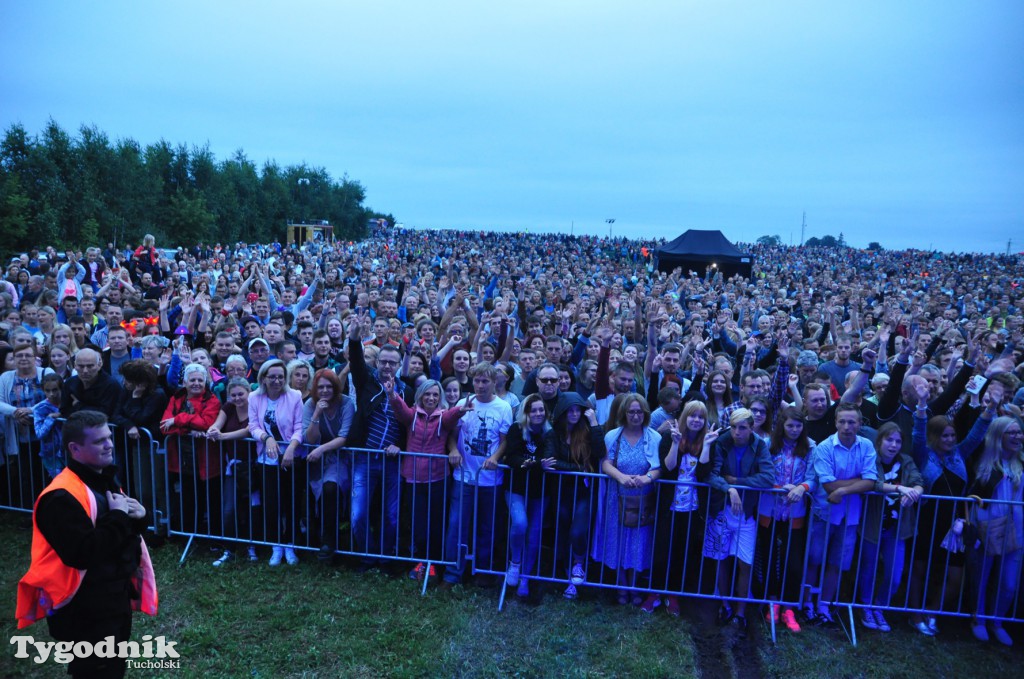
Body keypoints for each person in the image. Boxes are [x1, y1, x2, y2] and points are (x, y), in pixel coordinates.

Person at [16, 410, 157, 679]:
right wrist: (117, 517)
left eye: (109, 437)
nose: (109, 445)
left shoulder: (102, 478)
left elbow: (118, 537)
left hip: (112, 598)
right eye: (99, 441)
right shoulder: (60, 497)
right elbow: (82, 553)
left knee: (113, 669)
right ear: (75, 449)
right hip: (84, 609)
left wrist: (139, 519)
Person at [907, 387, 994, 636]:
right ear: (934, 436)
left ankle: (931, 612)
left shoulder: (959, 454)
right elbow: (917, 432)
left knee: (955, 576)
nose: (950, 440)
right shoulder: (924, 455)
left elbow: (977, 435)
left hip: (954, 523)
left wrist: (989, 408)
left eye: (952, 435)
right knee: (920, 570)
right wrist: (922, 404)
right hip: (926, 521)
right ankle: (914, 614)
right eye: (944, 436)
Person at [803, 403, 878, 627]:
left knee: (838, 563)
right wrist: (860, 482)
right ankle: (807, 603)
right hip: (823, 513)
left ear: (860, 424)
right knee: (814, 559)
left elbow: (871, 481)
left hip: (851, 517)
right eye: (842, 421)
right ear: (835, 422)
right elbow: (828, 485)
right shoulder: (824, 448)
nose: (847, 426)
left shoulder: (866, 446)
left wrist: (844, 489)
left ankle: (824, 605)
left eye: (852, 422)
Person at [642, 400, 719, 615]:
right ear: (684, 417)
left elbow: (703, 473)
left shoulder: (708, 440)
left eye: (700, 417)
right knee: (661, 551)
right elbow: (668, 468)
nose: (696, 420)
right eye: (692, 416)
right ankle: (655, 593)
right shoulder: (669, 436)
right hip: (669, 506)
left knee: (682, 552)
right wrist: (675, 443)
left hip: (693, 508)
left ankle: (673, 595)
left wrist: (707, 446)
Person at [704, 408, 775, 638]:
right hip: (722, 510)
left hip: (747, 514)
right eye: (734, 427)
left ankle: (740, 612)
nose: (737, 432)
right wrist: (729, 488)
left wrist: (738, 481)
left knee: (745, 564)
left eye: (742, 427)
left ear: (751, 427)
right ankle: (725, 605)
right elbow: (710, 474)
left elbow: (768, 477)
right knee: (721, 560)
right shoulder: (722, 441)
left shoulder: (760, 445)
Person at [441, 361, 513, 588]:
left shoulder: (503, 407)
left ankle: (483, 571)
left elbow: (504, 441)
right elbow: (451, 434)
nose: (480, 385)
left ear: (494, 382)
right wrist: (453, 450)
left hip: (490, 479)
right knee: (456, 525)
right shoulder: (464, 403)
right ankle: (453, 573)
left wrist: (496, 457)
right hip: (464, 476)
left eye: (485, 381)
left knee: (487, 527)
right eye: (477, 381)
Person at [388, 378, 465, 580]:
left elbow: (451, 416)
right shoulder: (413, 416)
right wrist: (392, 395)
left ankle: (436, 565)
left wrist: (461, 409)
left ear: (439, 398)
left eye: (435, 395)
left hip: (438, 479)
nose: (431, 398)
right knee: (419, 525)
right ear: (420, 396)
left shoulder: (442, 417)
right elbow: (401, 410)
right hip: (413, 479)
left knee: (437, 525)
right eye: (427, 394)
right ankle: (423, 564)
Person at [592, 393, 662, 605]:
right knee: (619, 542)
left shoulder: (654, 437)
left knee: (639, 543)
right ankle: (622, 585)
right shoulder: (613, 436)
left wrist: (646, 478)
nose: (635, 415)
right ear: (624, 413)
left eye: (639, 411)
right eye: (631, 411)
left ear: (645, 413)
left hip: (642, 499)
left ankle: (634, 585)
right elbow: (606, 463)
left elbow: (658, 468)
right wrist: (621, 478)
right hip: (617, 498)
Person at [857, 423, 924, 633]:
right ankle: (866, 607)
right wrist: (900, 488)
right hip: (872, 523)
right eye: (889, 440)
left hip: (897, 528)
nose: (894, 445)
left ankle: (879, 606)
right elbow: (872, 483)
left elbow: (918, 481)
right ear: (880, 441)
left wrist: (915, 492)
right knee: (868, 569)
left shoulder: (906, 461)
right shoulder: (871, 458)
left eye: (898, 441)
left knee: (895, 575)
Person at [966, 415, 1024, 647]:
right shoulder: (985, 464)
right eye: (1011, 432)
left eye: (1019, 432)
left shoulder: (1022, 462)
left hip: (1018, 531)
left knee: (1009, 583)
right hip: (989, 528)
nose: (1017, 436)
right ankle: (978, 619)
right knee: (981, 577)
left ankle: (997, 621)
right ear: (999, 436)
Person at [756, 406, 815, 633]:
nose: (794, 430)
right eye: (790, 425)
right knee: (769, 557)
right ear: (782, 426)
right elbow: (761, 474)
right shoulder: (768, 445)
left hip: (795, 513)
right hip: (769, 511)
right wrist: (781, 487)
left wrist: (802, 487)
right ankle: (772, 602)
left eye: (798, 426)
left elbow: (813, 477)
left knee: (793, 561)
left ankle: (789, 607)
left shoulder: (810, 447)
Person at [547, 392, 607, 600]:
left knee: (578, 532)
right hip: (561, 491)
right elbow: (552, 461)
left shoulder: (587, 431)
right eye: (570, 410)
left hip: (583, 491)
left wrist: (594, 422)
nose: (574, 414)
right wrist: (578, 468)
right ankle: (566, 579)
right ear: (563, 412)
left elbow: (600, 452)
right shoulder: (554, 434)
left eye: (577, 410)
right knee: (562, 533)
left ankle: (579, 565)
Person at [248, 359, 304, 565]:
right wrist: (266, 437)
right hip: (266, 459)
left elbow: (299, 427)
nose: (277, 380)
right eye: (272, 376)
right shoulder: (255, 397)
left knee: (290, 502)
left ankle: (289, 544)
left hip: (290, 458)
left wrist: (291, 447)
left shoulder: (295, 396)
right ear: (263, 377)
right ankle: (276, 546)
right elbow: (253, 425)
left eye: (280, 376)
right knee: (270, 504)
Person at [503, 393, 555, 599]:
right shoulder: (516, 430)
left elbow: (549, 458)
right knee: (520, 523)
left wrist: (533, 465)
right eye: (533, 410)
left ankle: (525, 577)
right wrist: (531, 464)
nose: (538, 413)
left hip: (540, 490)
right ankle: (515, 563)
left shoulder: (550, 433)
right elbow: (512, 456)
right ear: (525, 412)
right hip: (516, 486)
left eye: (541, 410)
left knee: (534, 534)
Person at [161, 362, 221, 540]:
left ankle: (212, 538)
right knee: (187, 498)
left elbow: (206, 424)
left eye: (200, 380)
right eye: (192, 380)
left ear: (206, 382)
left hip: (207, 460)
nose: (196, 383)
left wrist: (179, 419)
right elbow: (165, 426)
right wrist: (187, 429)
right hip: (182, 460)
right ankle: (188, 536)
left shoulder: (212, 400)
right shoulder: (176, 398)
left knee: (210, 499)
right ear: (185, 382)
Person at [302, 369, 355, 563]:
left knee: (330, 488)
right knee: (311, 495)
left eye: (329, 386)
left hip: (339, 457)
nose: (325, 390)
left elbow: (344, 436)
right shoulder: (310, 404)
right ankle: (315, 540)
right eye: (321, 387)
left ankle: (330, 541)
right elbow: (309, 437)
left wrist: (320, 450)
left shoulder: (347, 403)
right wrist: (317, 413)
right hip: (316, 459)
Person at [206, 378, 256, 566]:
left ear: (248, 391)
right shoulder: (228, 407)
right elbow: (218, 423)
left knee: (252, 509)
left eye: (240, 394)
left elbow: (248, 431)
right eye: (233, 395)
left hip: (254, 466)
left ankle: (252, 546)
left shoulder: (255, 406)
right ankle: (230, 549)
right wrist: (213, 430)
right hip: (233, 467)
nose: (237, 398)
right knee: (229, 509)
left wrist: (222, 437)